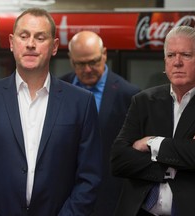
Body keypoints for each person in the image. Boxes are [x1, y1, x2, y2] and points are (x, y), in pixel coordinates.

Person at [0, 8, 102, 216]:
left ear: (55, 46)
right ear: (12, 43)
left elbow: (90, 177)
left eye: (40, 37)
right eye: (24, 36)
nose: (31, 43)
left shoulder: (81, 103)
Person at [111, 25, 195, 216]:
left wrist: (153, 143)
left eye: (185, 55)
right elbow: (119, 159)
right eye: (170, 55)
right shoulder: (143, 101)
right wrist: (179, 160)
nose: (177, 62)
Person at [60, 30, 140, 216]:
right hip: (64, 199)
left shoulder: (129, 95)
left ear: (104, 54)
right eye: (80, 64)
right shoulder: (57, 90)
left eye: (94, 62)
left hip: (110, 199)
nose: (87, 69)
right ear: (71, 59)